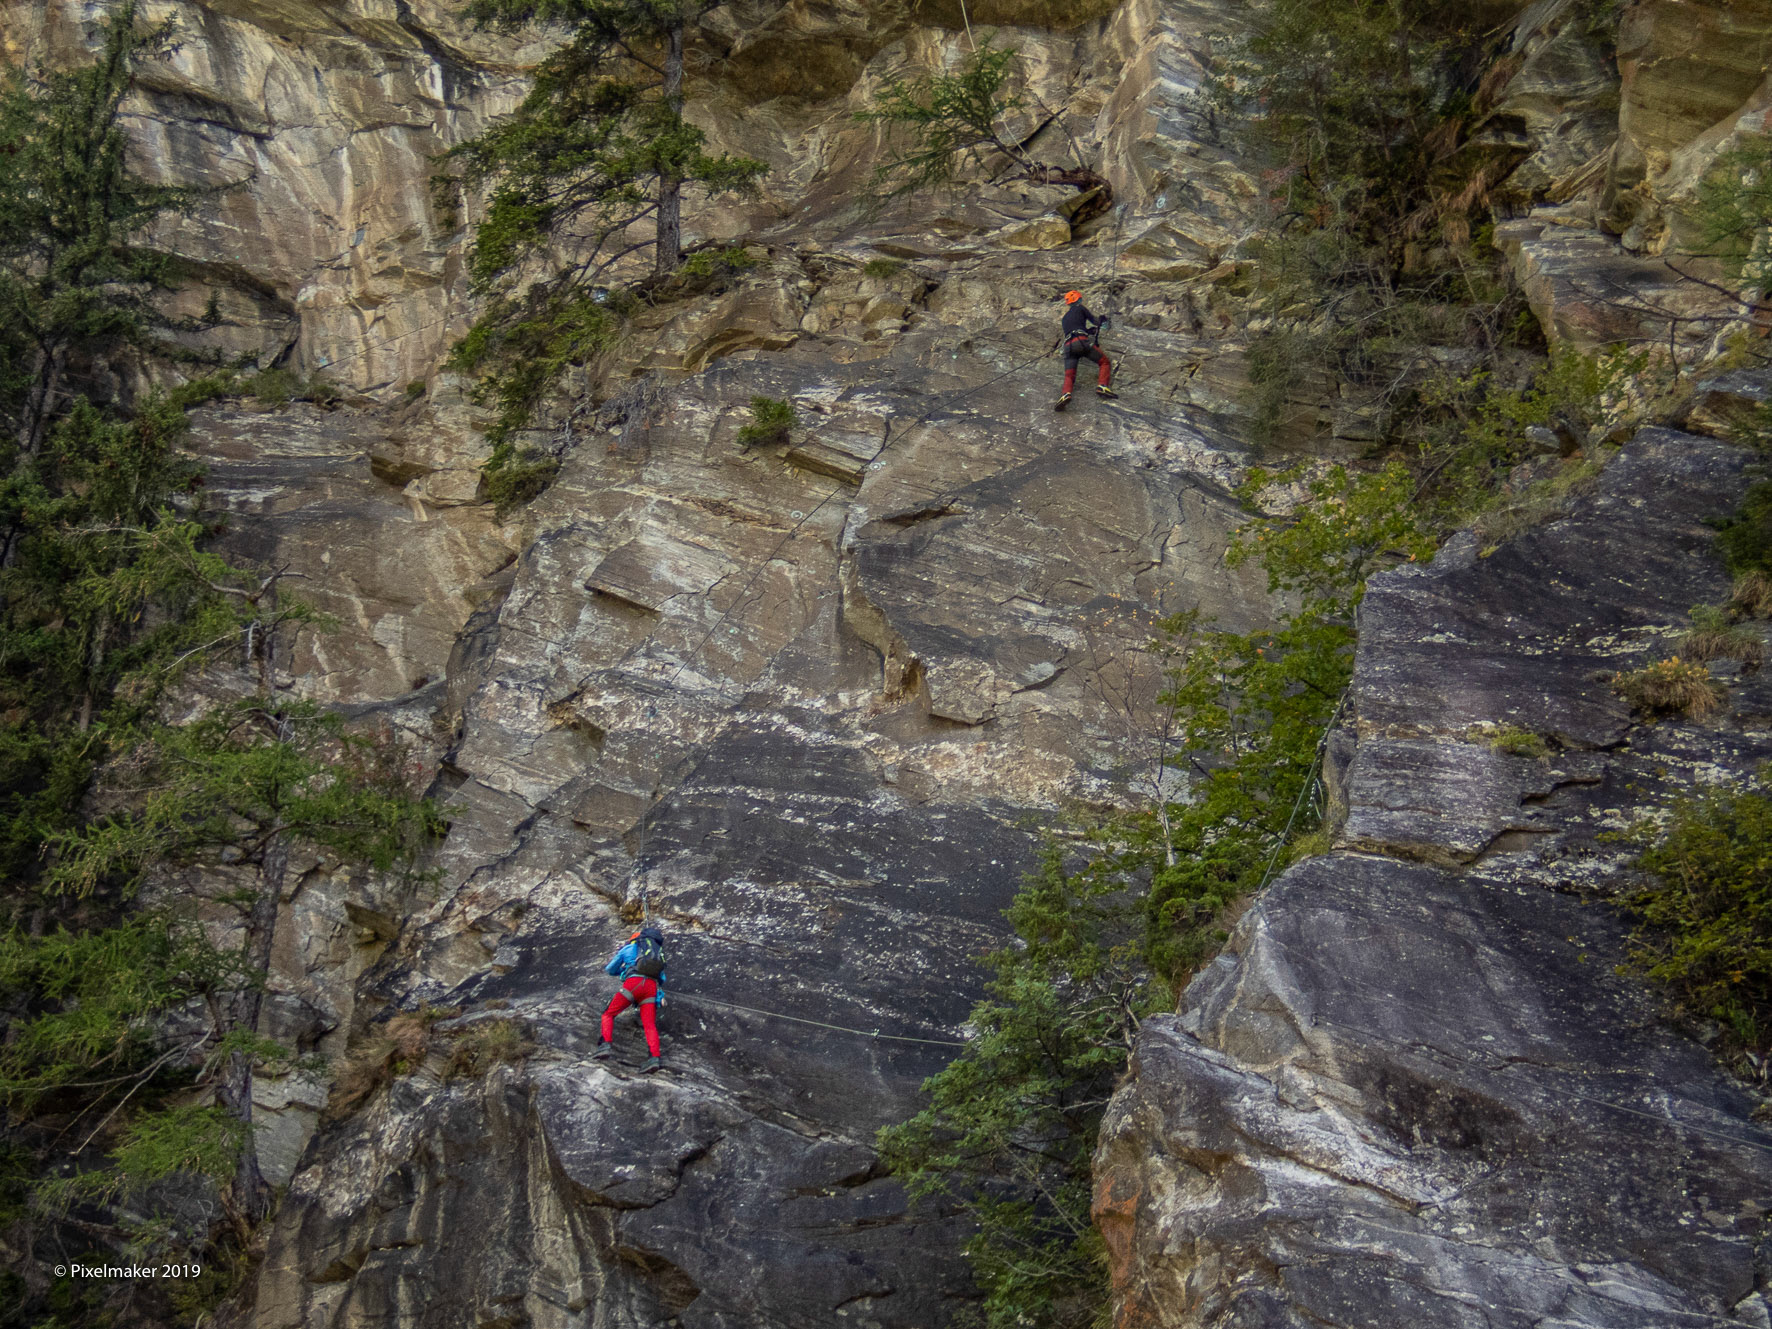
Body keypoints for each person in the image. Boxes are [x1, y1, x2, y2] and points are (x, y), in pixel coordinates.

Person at [595, 925, 667, 1072]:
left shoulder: (628, 949)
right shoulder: (656, 954)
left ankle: (605, 1045)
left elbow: (610, 969)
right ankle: (654, 1058)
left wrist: (626, 970)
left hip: (633, 984)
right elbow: (662, 978)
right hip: (651, 988)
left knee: (608, 1013)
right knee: (649, 1025)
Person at [1055, 289, 1116, 409]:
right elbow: (1095, 321)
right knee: (1104, 362)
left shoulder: (1065, 318)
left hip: (1068, 347)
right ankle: (1102, 386)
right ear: (1077, 299)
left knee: (1069, 375)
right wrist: (1103, 320)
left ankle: (1065, 394)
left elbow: (1074, 328)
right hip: (1081, 342)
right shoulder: (1080, 308)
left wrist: (1088, 331)